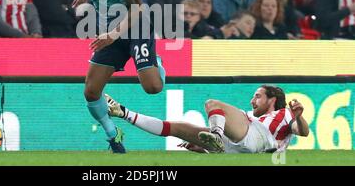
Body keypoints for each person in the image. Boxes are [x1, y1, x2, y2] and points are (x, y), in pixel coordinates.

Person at [71, 0, 166, 153]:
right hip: (110, 32)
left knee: (153, 88)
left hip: (134, 27)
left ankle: (156, 62)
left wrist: (113, 34)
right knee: (91, 91)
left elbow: (138, 7)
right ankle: (113, 134)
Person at [105, 84, 309, 153]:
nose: (252, 100)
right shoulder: (248, 118)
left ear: (272, 100)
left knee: (213, 104)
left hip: (259, 139)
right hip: (239, 148)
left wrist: (299, 117)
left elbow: (303, 132)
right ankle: (124, 112)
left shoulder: (283, 114)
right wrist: (203, 148)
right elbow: (242, 147)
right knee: (176, 128)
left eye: (258, 96)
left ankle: (216, 136)